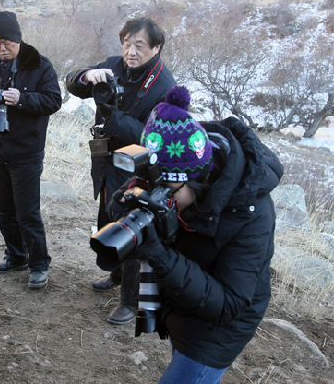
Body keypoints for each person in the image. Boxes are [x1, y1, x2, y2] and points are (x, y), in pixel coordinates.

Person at [108, 85, 283, 383]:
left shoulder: (250, 211)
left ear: (199, 180)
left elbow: (229, 303)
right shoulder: (165, 173)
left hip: (222, 325)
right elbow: (130, 198)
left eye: (168, 191)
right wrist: (123, 206)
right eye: (151, 183)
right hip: (183, 301)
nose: (158, 196)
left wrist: (161, 256)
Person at [65, 17, 176, 324]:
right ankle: (115, 273)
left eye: (139, 45)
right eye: (127, 44)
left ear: (156, 47)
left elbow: (155, 138)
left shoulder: (165, 87)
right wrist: (88, 75)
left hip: (140, 167)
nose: (131, 51)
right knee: (107, 216)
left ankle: (131, 300)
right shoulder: (114, 66)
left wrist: (114, 118)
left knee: (133, 229)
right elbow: (72, 83)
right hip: (108, 160)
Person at [0, 11, 61, 289]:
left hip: (25, 151)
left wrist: (23, 99)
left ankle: (38, 265)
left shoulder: (39, 65)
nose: (2, 49)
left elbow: (53, 101)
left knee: (28, 212)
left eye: (8, 43)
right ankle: (16, 255)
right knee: (4, 210)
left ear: (19, 40)